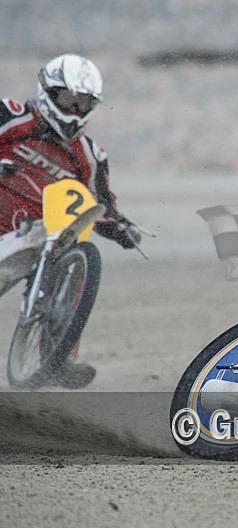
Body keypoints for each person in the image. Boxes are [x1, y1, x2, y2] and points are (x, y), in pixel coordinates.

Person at [0, 53, 141, 388]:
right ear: (48, 92)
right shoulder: (9, 115)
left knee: (74, 256)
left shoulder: (90, 155)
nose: (75, 111)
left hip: (39, 233)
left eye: (84, 103)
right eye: (69, 101)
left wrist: (122, 226)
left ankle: (57, 357)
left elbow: (99, 202)